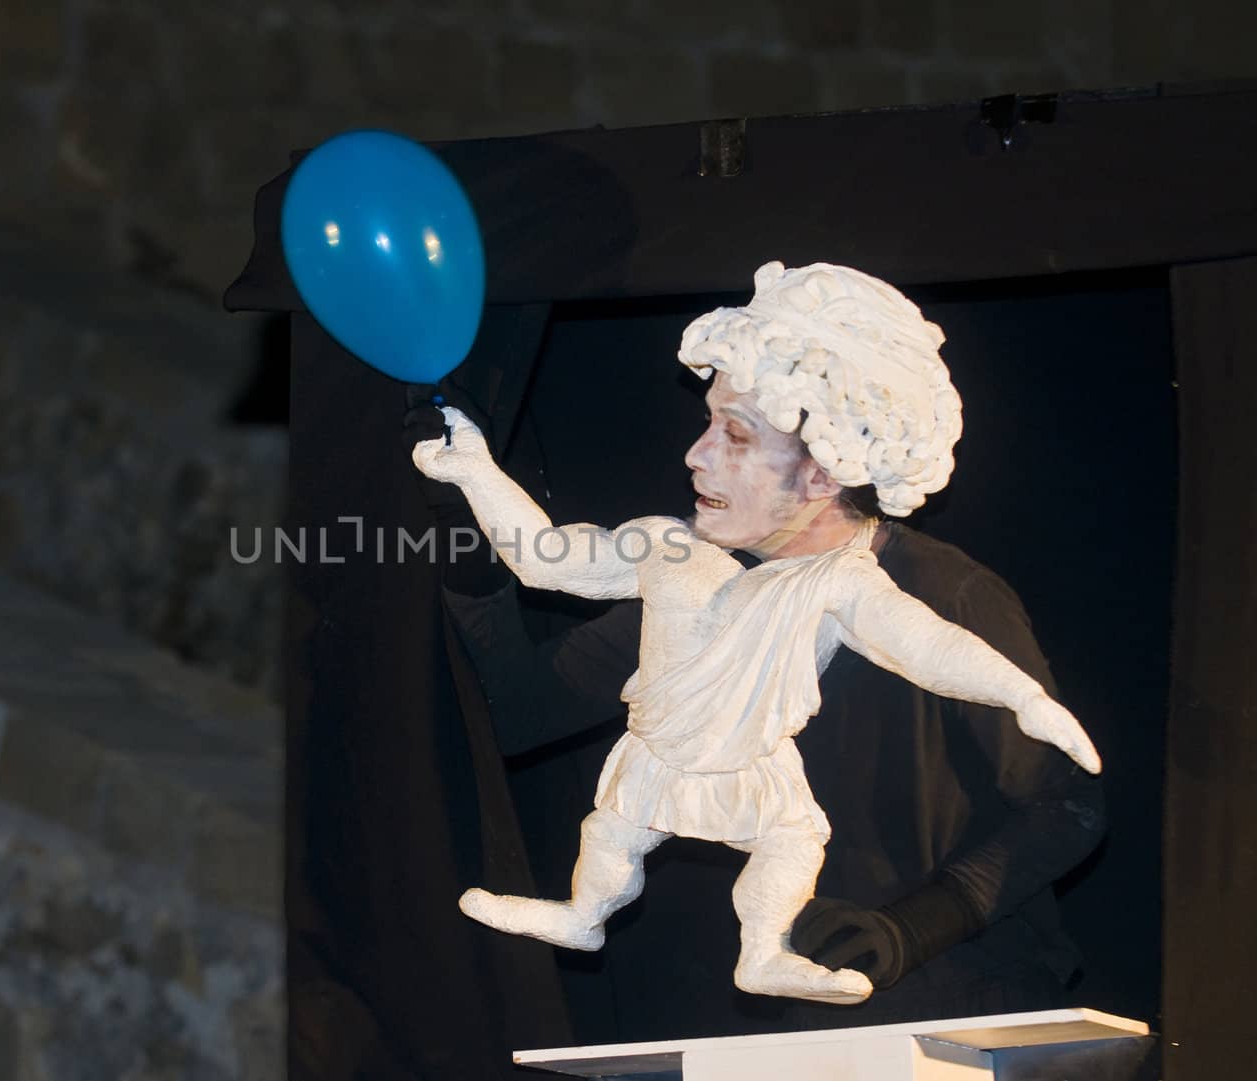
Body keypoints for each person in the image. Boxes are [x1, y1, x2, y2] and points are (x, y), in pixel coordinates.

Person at [407, 261, 1108, 1030]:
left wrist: (917, 926)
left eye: (734, 435)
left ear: (820, 472)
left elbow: (1068, 804)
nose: (696, 455)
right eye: (708, 424)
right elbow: (522, 706)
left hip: (955, 1016)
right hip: (777, 1031)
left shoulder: (944, 593)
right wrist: (468, 521)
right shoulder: (697, 577)